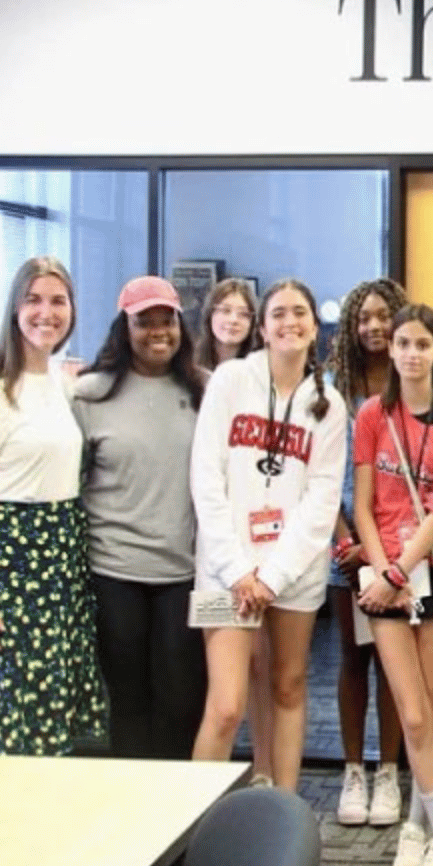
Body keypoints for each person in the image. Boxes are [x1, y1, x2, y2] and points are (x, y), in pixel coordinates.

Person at [190, 279, 347, 793]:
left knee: (288, 685)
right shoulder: (231, 380)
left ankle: (284, 809)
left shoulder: (330, 404)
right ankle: (189, 831)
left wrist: (272, 576)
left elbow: (322, 501)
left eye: (300, 312)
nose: (289, 322)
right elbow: (205, 476)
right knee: (227, 703)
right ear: (262, 327)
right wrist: (238, 571)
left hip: (293, 574)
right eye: (278, 313)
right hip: (222, 573)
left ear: (314, 326)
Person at [0, 256, 108, 754]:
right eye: (34, 301)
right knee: (16, 714)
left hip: (64, 558)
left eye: (58, 301)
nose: (47, 313)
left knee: (57, 710)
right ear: (14, 309)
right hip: (12, 562)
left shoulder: (67, 385)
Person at [354, 303, 433, 866]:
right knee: (407, 711)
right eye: (402, 342)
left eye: (421, 343)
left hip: (431, 574)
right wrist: (382, 576)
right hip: (382, 581)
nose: (410, 353)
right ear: (391, 350)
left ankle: (418, 830)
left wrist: (400, 573)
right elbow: (362, 504)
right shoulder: (371, 416)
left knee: (431, 712)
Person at [73, 276, 206, 759]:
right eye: (143, 321)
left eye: (165, 320)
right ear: (123, 327)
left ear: (179, 325)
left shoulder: (202, 391)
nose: (157, 331)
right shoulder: (90, 395)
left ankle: (177, 818)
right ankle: (133, 814)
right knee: (129, 703)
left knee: (181, 701)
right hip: (114, 571)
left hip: (182, 571)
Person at [325, 278, 408, 827]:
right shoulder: (333, 390)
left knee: (396, 664)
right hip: (345, 548)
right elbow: (321, 474)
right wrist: (345, 540)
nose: (374, 327)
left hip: (399, 549)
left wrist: (384, 549)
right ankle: (354, 769)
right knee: (354, 660)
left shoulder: (413, 385)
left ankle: (389, 773)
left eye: (385, 317)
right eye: (365, 318)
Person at [194, 275, 276, 785]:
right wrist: (230, 563)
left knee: (271, 681)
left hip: (268, 559)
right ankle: (192, 819)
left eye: (242, 312)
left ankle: (265, 784)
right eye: (223, 309)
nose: (232, 319)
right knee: (224, 703)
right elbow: (206, 477)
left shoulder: (269, 383)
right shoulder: (191, 376)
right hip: (213, 558)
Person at [195, 277, 258, 371]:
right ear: (210, 315)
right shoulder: (189, 363)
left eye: (243, 314)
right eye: (225, 311)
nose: (233, 320)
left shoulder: (260, 367)